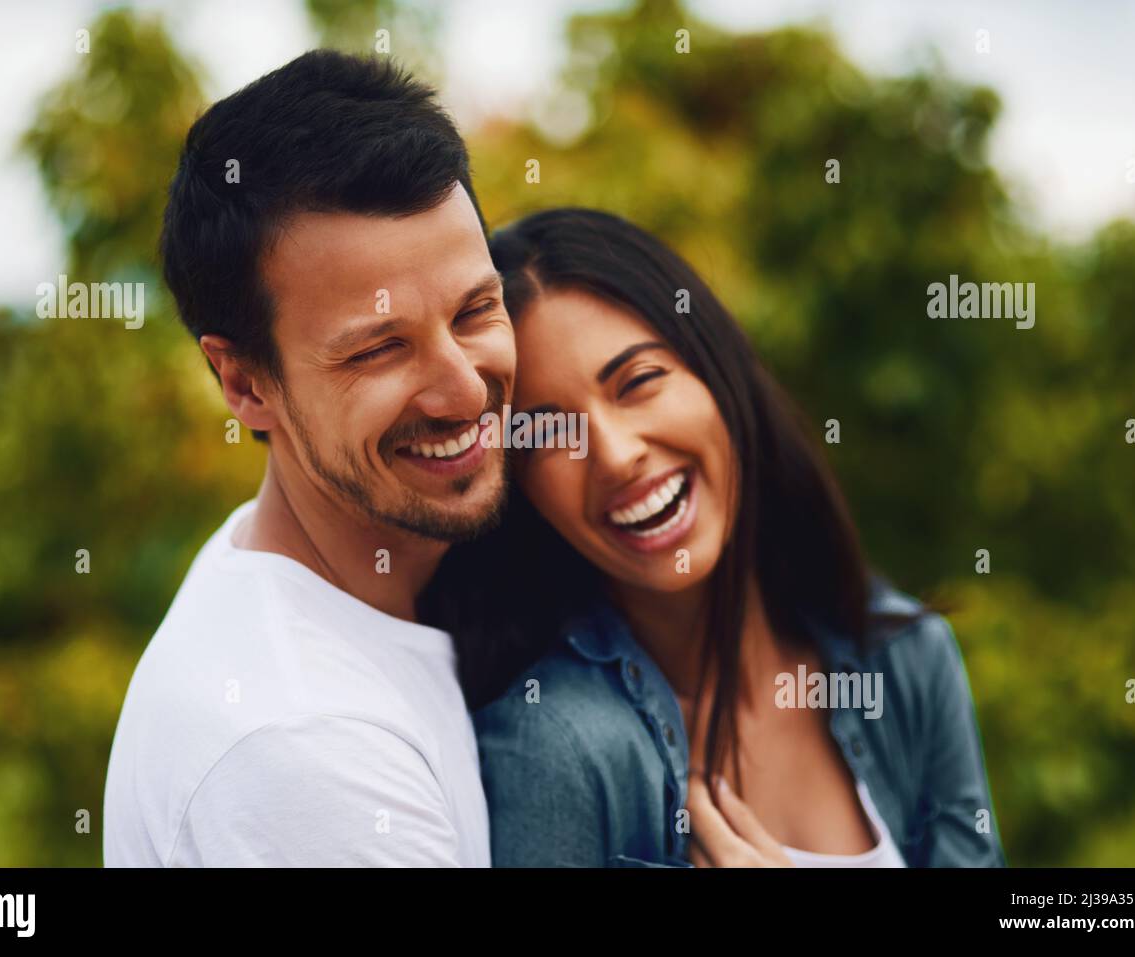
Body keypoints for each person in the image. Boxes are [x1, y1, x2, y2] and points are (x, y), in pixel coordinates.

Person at [423, 208, 1007, 868]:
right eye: (549, 432)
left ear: (717, 370)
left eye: (639, 381)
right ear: (519, 486)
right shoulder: (558, 747)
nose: (615, 455)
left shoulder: (905, 658)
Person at [103, 51, 514, 866]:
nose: (464, 390)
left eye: (477, 310)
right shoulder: (303, 749)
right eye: (380, 350)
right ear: (244, 382)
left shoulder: (303, 570)